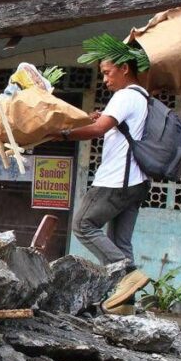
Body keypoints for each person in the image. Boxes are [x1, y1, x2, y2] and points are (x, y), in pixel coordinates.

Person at [57, 57, 150, 311]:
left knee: (83, 224)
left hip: (116, 180)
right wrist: (99, 121)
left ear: (124, 69)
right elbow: (111, 129)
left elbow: (98, 130)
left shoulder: (125, 96)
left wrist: (61, 134)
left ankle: (127, 274)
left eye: (108, 73)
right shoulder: (143, 98)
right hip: (137, 182)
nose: (106, 80)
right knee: (120, 242)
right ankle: (125, 306)